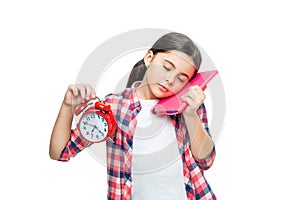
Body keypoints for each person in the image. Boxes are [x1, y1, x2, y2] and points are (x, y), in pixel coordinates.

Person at [49, 32, 217, 200]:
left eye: (182, 77)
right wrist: (67, 106)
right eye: (166, 67)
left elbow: (206, 161)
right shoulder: (114, 107)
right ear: (149, 57)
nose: (170, 80)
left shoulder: (190, 105)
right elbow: (60, 152)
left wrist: (190, 114)